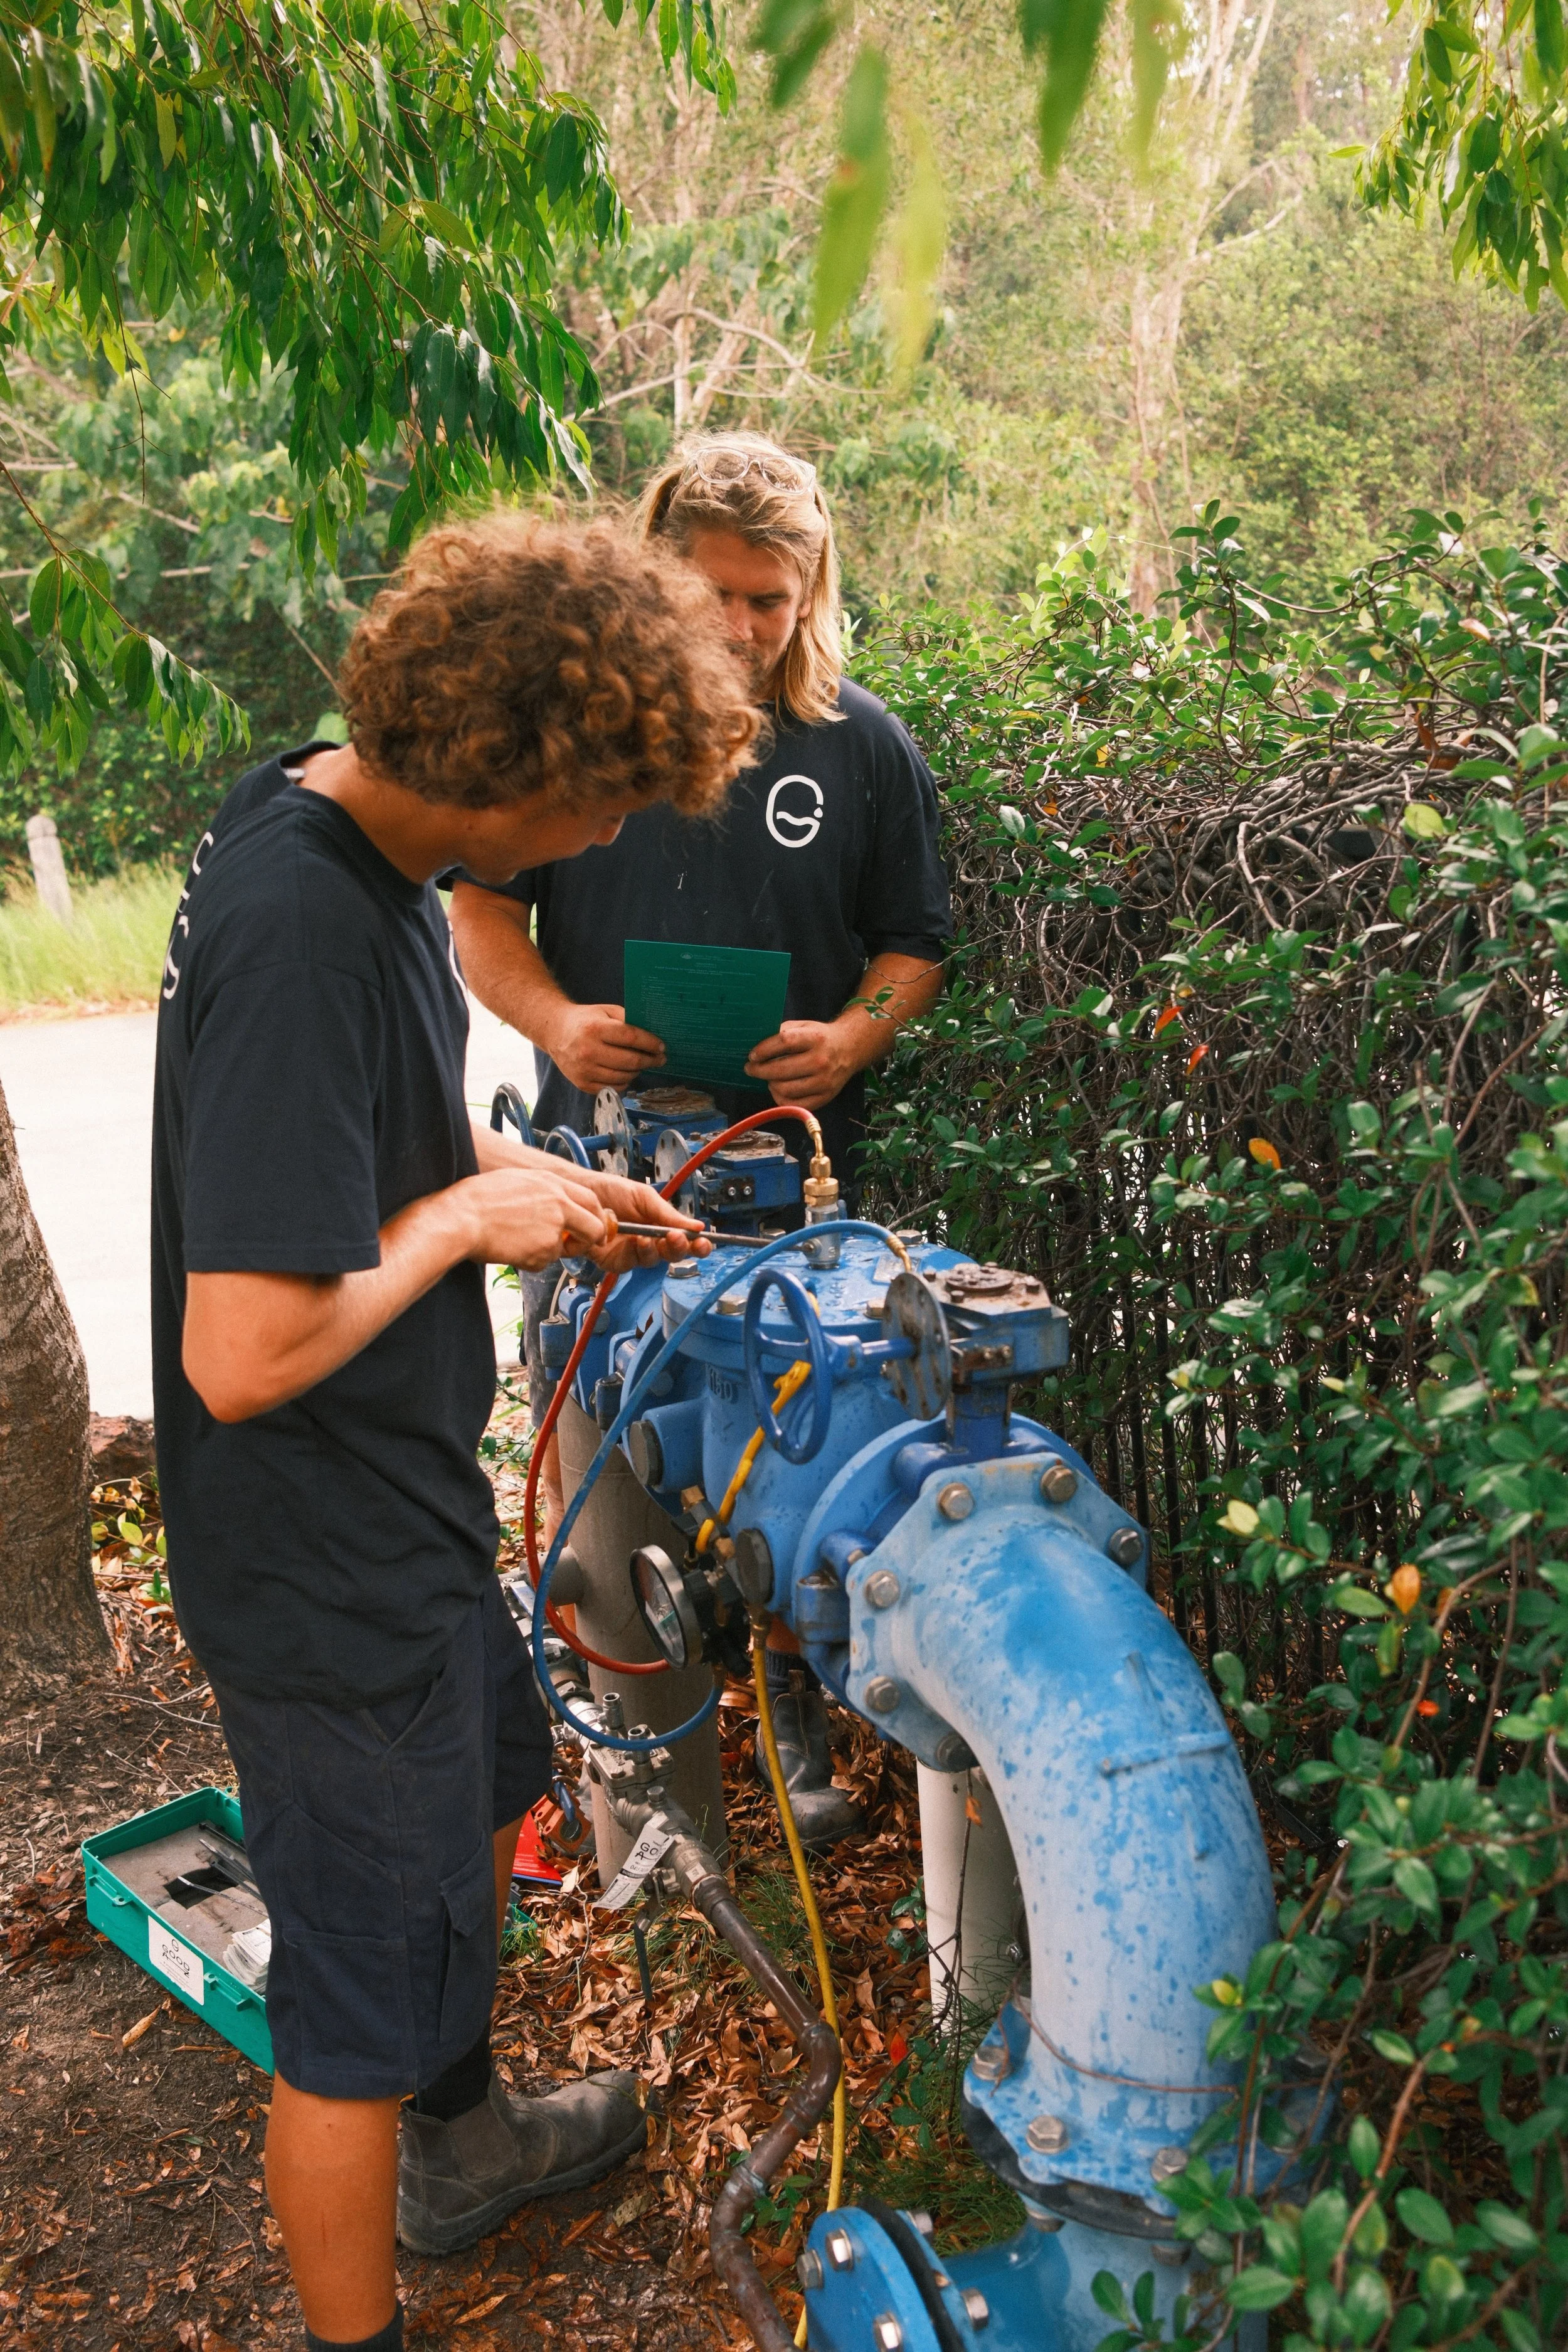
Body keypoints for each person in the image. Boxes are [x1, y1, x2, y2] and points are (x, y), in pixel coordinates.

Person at [151, 514, 758, 2352]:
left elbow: (370, 1143)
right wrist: (466, 1225)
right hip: (321, 1565)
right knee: (348, 2003)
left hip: (392, 1520)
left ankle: (469, 2134)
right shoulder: (299, 929)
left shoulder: (330, 826)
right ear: (514, 770)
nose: (593, 849)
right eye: (591, 811)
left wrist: (540, 1180)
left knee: (472, 1807)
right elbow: (239, 1349)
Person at [450, 433, 952, 1853]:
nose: (738, 627)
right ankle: (647, 1804)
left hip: (794, 1188)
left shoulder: (858, 745)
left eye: (768, 601)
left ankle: (793, 1712)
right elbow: (478, 911)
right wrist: (555, 1018)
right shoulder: (577, 734)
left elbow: (912, 946)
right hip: (598, 1178)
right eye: (711, 593)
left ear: (810, 594)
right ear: (651, 575)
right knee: (613, 1498)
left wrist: (852, 1037)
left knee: (792, 1469)